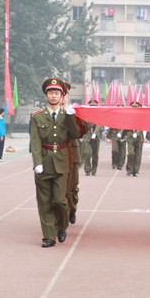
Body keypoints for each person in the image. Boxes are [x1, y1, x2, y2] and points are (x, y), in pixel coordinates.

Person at [30, 78, 80, 247]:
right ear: (46, 96)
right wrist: (37, 162)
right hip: (44, 161)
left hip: (62, 162)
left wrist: (72, 118)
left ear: (62, 96)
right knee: (44, 202)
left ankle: (61, 226)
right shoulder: (37, 117)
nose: (53, 96)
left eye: (56, 93)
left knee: (60, 200)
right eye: (50, 93)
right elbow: (35, 141)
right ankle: (48, 237)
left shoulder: (67, 115)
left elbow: (75, 134)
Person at [63, 82, 85, 225]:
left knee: (72, 187)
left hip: (72, 152)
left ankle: (72, 210)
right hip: (55, 154)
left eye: (65, 94)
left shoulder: (75, 111)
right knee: (59, 187)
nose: (62, 97)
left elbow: (81, 131)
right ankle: (60, 216)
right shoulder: (48, 113)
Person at [82, 99, 101, 176]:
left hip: (95, 136)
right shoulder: (85, 115)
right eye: (92, 106)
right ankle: (87, 169)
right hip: (87, 135)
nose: (93, 107)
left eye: (94, 106)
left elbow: (99, 124)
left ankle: (94, 170)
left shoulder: (98, 114)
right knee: (87, 152)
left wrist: (95, 133)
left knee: (95, 154)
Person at [125, 101, 144, 177]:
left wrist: (137, 133)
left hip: (138, 136)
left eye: (136, 107)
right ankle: (129, 169)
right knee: (131, 153)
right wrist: (123, 134)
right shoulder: (128, 116)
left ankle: (135, 170)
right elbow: (125, 125)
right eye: (133, 107)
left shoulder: (141, 116)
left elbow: (142, 125)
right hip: (130, 136)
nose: (134, 108)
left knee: (137, 155)